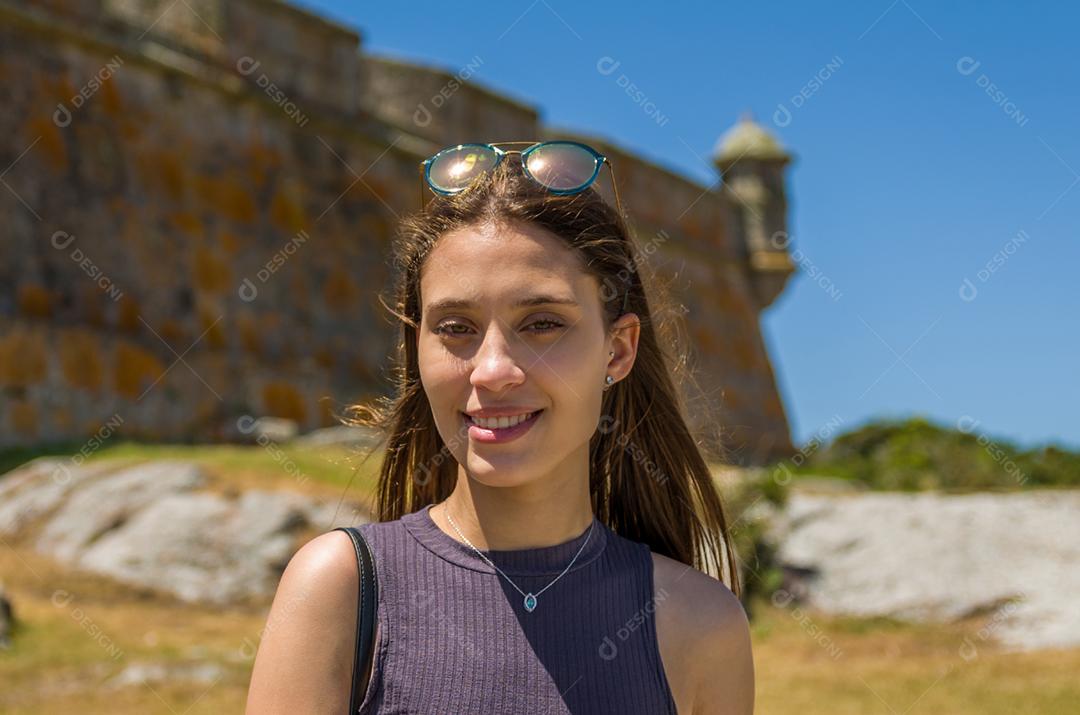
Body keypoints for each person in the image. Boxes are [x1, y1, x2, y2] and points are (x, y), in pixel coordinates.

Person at [245, 141, 754, 714]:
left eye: (541, 324)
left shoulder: (702, 627)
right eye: (456, 327)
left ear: (617, 350)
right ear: (417, 348)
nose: (492, 372)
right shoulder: (339, 589)